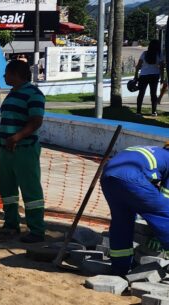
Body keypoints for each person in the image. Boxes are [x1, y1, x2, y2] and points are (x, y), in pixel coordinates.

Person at [0, 60, 47, 243]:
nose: (4, 77)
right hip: (6, 151)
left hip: (25, 150)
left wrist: (17, 137)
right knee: (7, 191)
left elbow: (36, 121)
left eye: (6, 73)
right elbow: (4, 124)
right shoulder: (11, 94)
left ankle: (37, 230)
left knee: (31, 191)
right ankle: (10, 225)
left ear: (15, 73)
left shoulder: (34, 94)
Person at [101, 144, 169, 276]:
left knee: (122, 222)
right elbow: (166, 196)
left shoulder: (153, 150)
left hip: (108, 177)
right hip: (132, 178)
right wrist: (159, 233)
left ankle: (120, 269)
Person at [135, 40, 166, 116]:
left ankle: (138, 111)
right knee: (153, 93)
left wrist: (136, 75)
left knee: (141, 93)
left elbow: (138, 65)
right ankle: (154, 111)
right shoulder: (159, 54)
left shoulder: (144, 53)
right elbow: (161, 67)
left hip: (143, 75)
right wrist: (162, 77)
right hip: (154, 75)